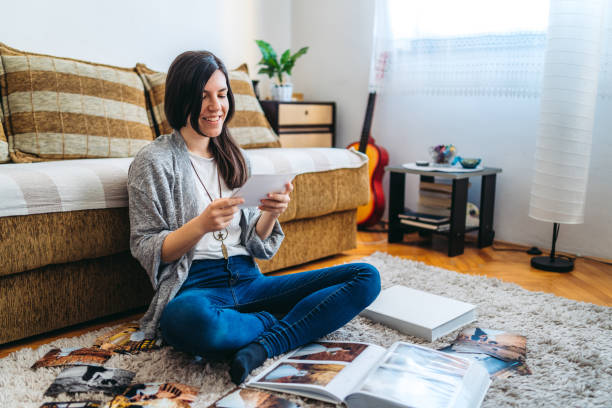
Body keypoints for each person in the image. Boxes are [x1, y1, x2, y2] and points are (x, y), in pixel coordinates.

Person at [127, 50, 381, 384]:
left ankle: (261, 346)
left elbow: (256, 245)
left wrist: (269, 215)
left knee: (366, 276)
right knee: (183, 322)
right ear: (180, 98)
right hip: (197, 286)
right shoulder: (153, 162)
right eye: (202, 96)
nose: (216, 106)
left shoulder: (235, 157)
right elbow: (145, 246)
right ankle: (285, 321)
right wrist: (200, 225)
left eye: (221, 94)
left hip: (250, 282)